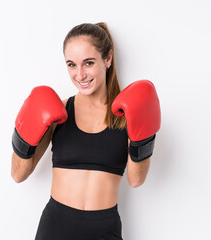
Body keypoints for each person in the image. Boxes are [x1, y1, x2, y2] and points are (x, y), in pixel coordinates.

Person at [11, 22, 161, 240]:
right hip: (56, 227)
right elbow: (18, 174)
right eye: (71, 65)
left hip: (104, 229)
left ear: (107, 58)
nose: (80, 75)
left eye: (88, 63)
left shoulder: (128, 116)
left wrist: (143, 136)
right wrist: (25, 134)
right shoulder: (58, 111)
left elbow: (136, 180)